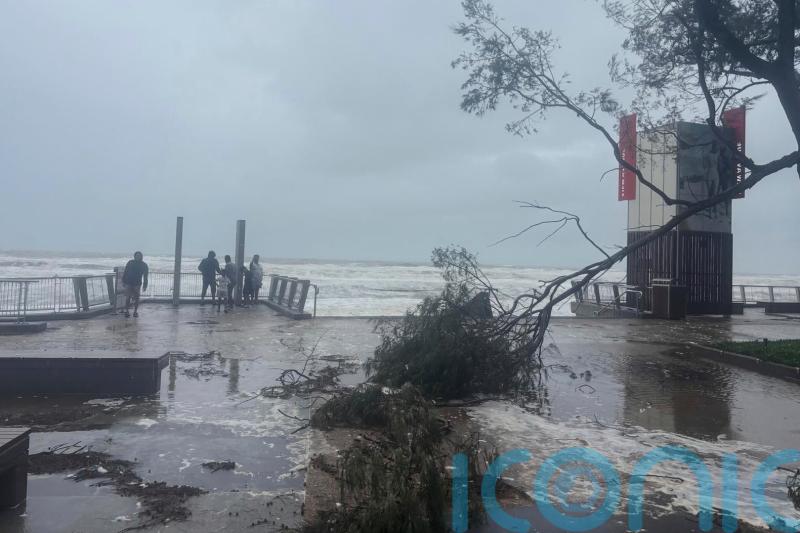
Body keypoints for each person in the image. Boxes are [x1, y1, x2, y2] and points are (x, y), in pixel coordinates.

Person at [122, 251, 149, 318]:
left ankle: (135, 312)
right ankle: (127, 311)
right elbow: (125, 272)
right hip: (128, 282)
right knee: (128, 297)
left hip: (137, 283)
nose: (138, 257)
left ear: (141, 257)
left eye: (139, 256)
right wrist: (123, 281)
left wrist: (145, 285)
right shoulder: (130, 262)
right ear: (134, 256)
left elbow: (145, 276)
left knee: (137, 298)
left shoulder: (144, 265)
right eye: (136, 255)